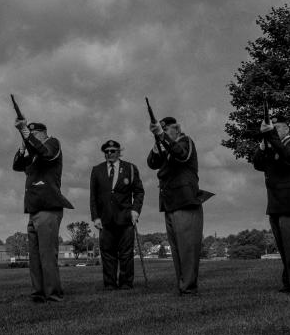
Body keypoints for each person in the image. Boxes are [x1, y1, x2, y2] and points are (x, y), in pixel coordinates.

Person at [146, 116, 212, 296]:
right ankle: (183, 285)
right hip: (170, 202)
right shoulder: (165, 145)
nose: (163, 133)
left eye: (166, 130)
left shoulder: (185, 141)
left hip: (185, 201)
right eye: (162, 130)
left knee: (188, 249)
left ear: (177, 129)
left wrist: (162, 137)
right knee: (177, 251)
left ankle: (189, 287)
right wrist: (157, 140)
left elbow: (181, 154)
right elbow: (152, 163)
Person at [13, 120, 74, 302]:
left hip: (48, 206)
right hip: (34, 207)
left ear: (44, 133)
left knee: (47, 255)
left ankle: (53, 293)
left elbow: (44, 152)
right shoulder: (33, 152)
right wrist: (22, 147)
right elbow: (17, 165)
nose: (32, 138)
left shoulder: (53, 144)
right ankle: (38, 292)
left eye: (35, 134)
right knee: (35, 256)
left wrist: (26, 134)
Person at [255, 114, 290, 293]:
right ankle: (288, 283)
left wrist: (270, 135)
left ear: (287, 129)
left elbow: (288, 156)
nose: (274, 130)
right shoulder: (273, 148)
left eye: (277, 127)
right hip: (276, 204)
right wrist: (262, 146)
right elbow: (258, 164)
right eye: (273, 128)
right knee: (284, 248)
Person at [90, 139, 144, 290]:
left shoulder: (130, 168)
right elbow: (93, 197)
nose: (109, 154)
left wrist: (135, 210)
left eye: (112, 151)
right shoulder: (97, 170)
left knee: (126, 254)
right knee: (107, 254)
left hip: (126, 218)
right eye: (106, 151)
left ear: (119, 152)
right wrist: (95, 217)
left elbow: (139, 192)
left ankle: (126, 283)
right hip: (105, 220)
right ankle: (110, 283)